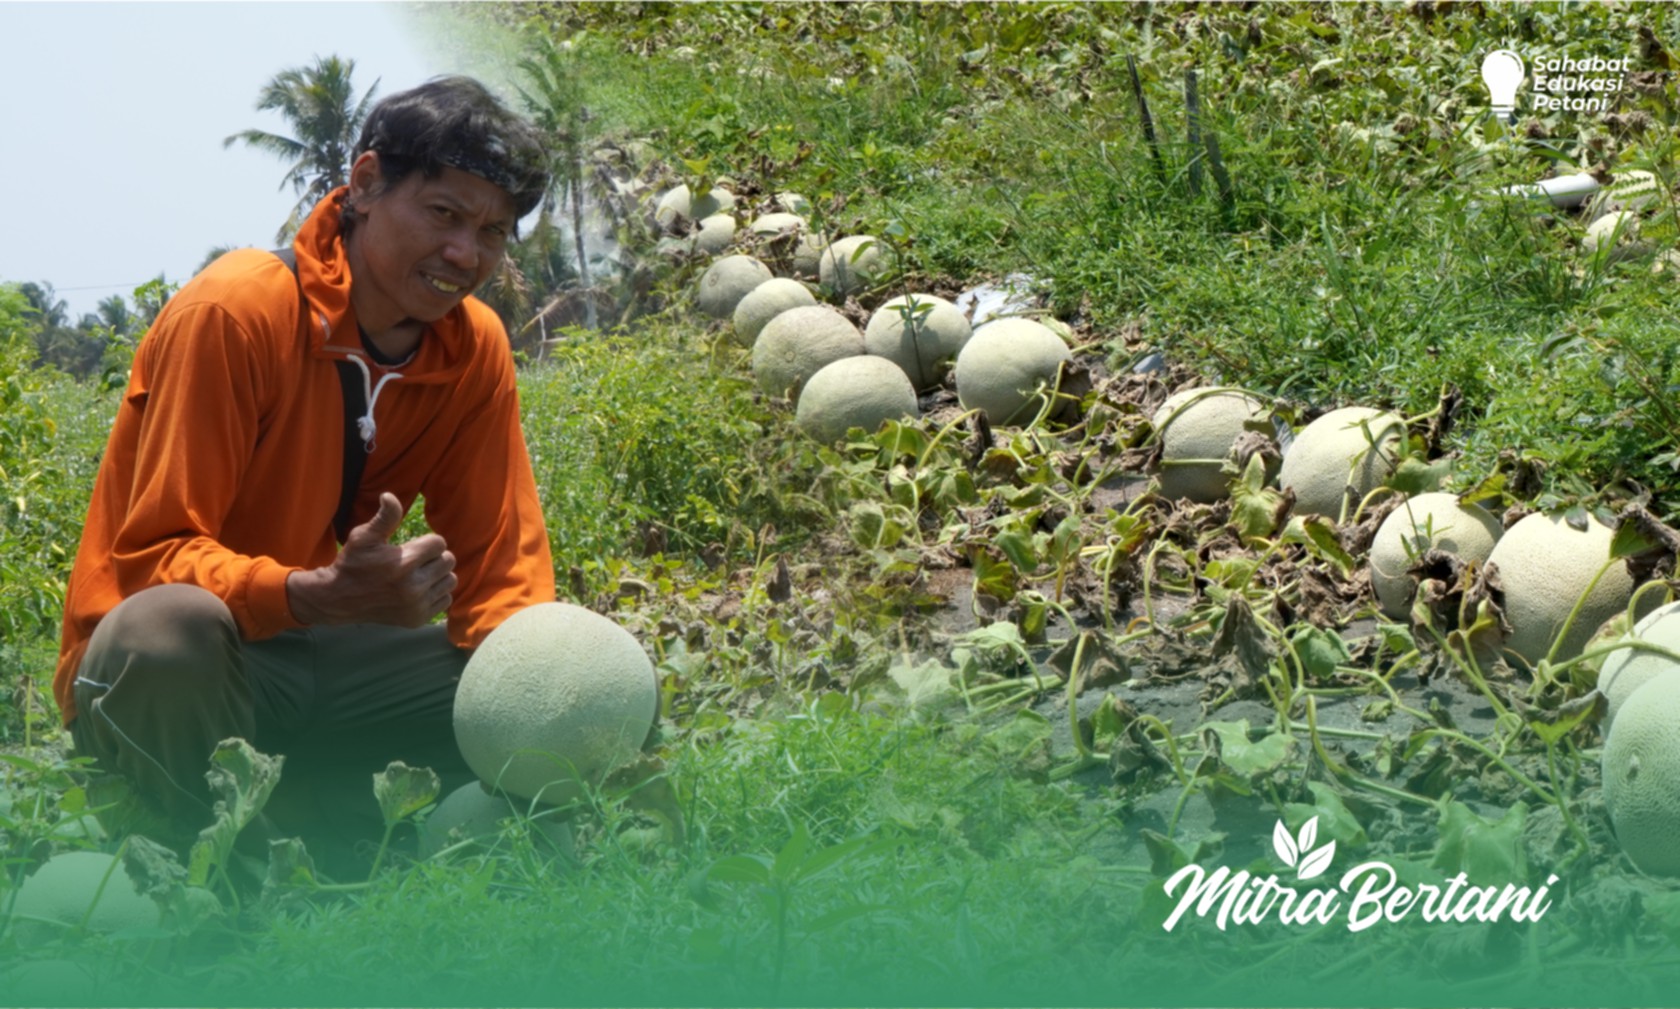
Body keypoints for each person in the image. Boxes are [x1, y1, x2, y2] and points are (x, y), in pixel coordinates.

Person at [52, 76, 557, 870]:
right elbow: (152, 563)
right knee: (164, 631)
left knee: (577, 669)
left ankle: (326, 826)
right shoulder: (237, 311)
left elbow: (505, 574)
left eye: (493, 231)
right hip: (196, 671)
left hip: (335, 665)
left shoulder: (473, 349)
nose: (466, 253)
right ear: (362, 184)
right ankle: (225, 872)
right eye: (443, 214)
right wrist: (304, 594)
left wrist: (545, 693)